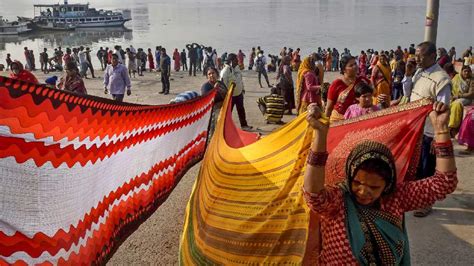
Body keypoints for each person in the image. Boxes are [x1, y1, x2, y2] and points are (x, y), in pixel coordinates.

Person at [302, 101, 457, 265]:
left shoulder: (396, 197)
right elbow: (314, 196)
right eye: (357, 182)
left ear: (387, 185)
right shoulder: (339, 200)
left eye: (374, 187)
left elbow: (443, 184)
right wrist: (320, 136)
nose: (363, 191)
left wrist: (441, 131)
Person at [410, 41, 452, 217]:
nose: (417, 59)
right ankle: (416, 198)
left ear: (433, 56)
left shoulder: (441, 79)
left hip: (429, 131)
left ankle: (426, 203)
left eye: (421, 56)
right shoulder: (419, 72)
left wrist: (438, 136)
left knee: (428, 169)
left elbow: (443, 108)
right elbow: (408, 93)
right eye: (416, 55)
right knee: (417, 168)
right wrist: (407, 76)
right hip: (416, 129)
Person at [325, 56, 369, 122]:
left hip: (359, 118)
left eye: (355, 64)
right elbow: (329, 108)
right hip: (339, 120)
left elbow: (373, 94)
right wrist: (325, 125)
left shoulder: (362, 80)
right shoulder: (336, 84)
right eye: (351, 65)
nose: (355, 67)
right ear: (343, 70)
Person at [220, 53, 252, 131]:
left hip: (239, 93)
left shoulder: (237, 68)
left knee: (241, 110)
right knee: (228, 112)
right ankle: (224, 127)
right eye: (236, 60)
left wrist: (243, 89)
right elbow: (222, 85)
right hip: (230, 96)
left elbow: (240, 79)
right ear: (231, 61)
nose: (238, 61)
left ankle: (244, 125)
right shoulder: (225, 71)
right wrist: (226, 96)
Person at [201, 67, 228, 140]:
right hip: (212, 112)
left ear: (217, 74)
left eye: (213, 73)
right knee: (212, 132)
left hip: (223, 109)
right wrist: (214, 90)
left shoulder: (220, 83)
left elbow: (227, 95)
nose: (211, 75)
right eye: (209, 74)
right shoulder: (205, 87)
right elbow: (206, 101)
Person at [449, 65, 473, 136]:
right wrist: (451, 96)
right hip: (454, 97)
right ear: (461, 72)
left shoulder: (471, 80)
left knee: (457, 104)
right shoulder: (456, 77)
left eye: (468, 71)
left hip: (467, 99)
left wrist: (458, 96)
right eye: (465, 71)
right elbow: (451, 87)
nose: (466, 73)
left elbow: (471, 94)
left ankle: (453, 126)